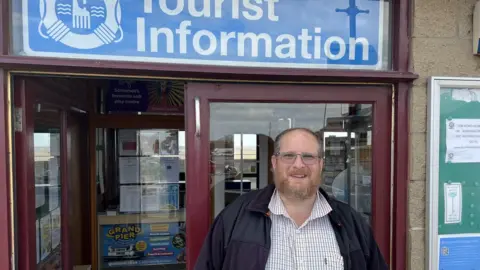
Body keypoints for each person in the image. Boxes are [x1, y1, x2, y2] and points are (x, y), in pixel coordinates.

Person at [194, 128, 387, 270]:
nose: (299, 165)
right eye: (289, 156)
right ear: (274, 162)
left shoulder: (351, 223)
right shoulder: (234, 218)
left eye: (308, 157)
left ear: (320, 164)